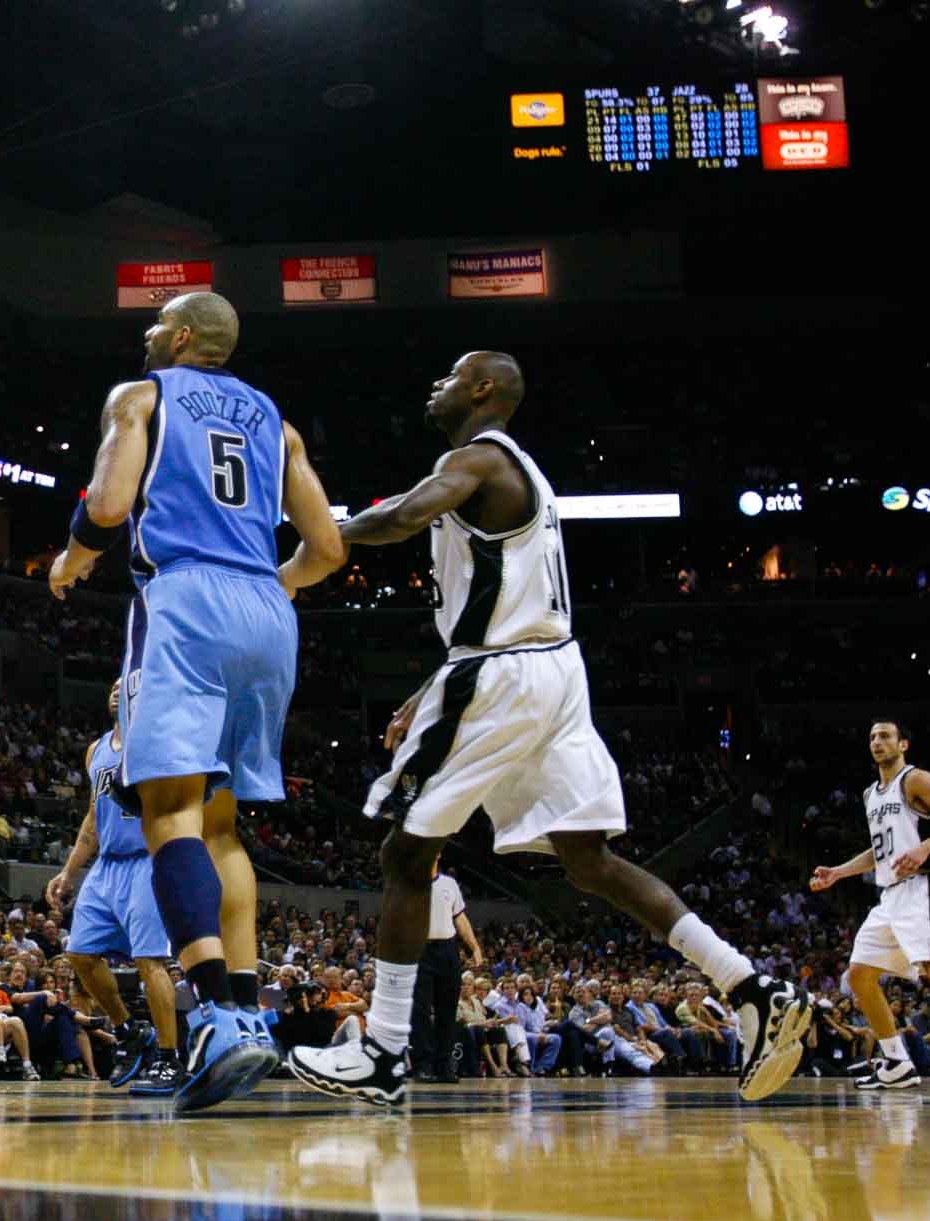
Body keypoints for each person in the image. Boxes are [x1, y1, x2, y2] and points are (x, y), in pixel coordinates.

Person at [291, 352, 808, 1107]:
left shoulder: (477, 459)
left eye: (449, 374)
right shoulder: (521, 471)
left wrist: (319, 534)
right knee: (589, 861)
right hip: (552, 671)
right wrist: (431, 685)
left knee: (405, 853)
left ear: (482, 389)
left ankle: (382, 1052)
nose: (433, 383)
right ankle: (749, 985)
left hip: (504, 674)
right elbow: (502, 607)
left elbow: (403, 515)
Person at [46, 291, 346, 1112]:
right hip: (268, 613)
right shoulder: (276, 422)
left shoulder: (140, 395)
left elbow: (108, 506)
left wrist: (72, 560)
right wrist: (270, 589)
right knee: (222, 826)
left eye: (153, 325)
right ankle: (246, 1011)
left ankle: (212, 1011)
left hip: (183, 602)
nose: (142, 336)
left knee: (168, 817)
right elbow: (326, 548)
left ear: (179, 337)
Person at [810, 718, 930, 1091]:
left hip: (925, 887)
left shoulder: (916, 780)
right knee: (859, 974)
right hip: (891, 895)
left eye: (885, 737)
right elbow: (881, 851)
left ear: (903, 745)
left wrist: (926, 847)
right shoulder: (871, 795)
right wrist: (839, 872)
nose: (877, 742)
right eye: (872, 737)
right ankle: (897, 1062)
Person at [47, 680, 182, 1098]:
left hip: (146, 859)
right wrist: (69, 872)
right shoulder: (96, 750)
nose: (114, 691)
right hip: (105, 867)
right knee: (79, 954)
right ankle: (128, 1030)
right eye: (111, 687)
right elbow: (92, 818)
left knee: (149, 960)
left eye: (124, 687)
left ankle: (168, 1057)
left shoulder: (156, 744)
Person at [412, 860, 483, 1084]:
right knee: (421, 1011)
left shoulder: (449, 883)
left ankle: (444, 1066)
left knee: (447, 1011)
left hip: (447, 949)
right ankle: (422, 1065)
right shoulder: (410, 880)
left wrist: (474, 947)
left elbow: (460, 918)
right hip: (419, 948)